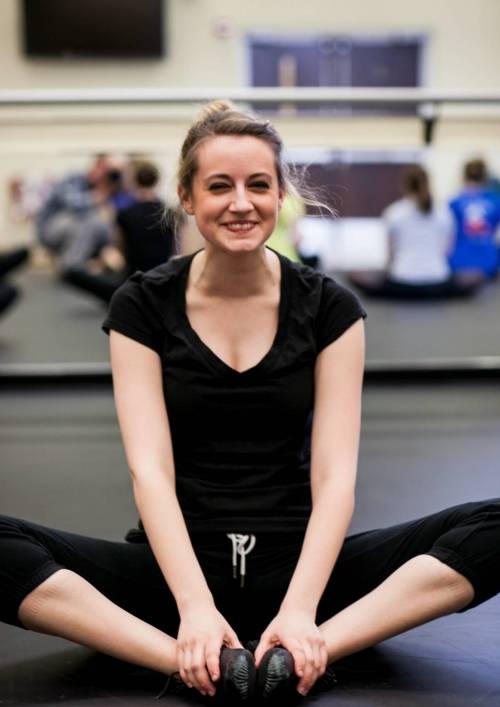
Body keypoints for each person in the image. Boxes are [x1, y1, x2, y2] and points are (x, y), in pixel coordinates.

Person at [1, 102, 500, 704]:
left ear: (281, 193)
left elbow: (335, 477)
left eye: (258, 184)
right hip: (173, 575)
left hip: (304, 571)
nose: (241, 202)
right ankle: (190, 659)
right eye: (219, 186)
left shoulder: (329, 308)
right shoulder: (142, 305)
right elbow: (150, 472)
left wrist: (301, 611)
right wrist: (195, 610)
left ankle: (303, 652)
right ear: (187, 196)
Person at [349, 165, 483, 299]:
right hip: (438, 281)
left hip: (401, 281)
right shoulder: (444, 212)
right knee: (476, 275)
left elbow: (390, 255)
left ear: (404, 185)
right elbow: (447, 251)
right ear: (428, 184)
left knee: (355, 275)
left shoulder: (394, 212)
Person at [62, 160, 175, 303]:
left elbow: (119, 253)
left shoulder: (125, 214)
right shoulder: (171, 213)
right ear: (157, 180)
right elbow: (176, 252)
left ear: (133, 181)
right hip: (163, 283)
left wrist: (100, 265)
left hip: (134, 285)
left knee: (74, 273)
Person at [448, 158, 500, 279]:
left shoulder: (453, 203)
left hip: (459, 263)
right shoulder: (496, 202)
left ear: (464, 176)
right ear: (485, 176)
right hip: (488, 263)